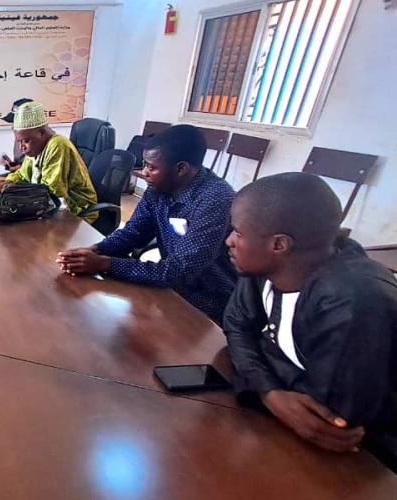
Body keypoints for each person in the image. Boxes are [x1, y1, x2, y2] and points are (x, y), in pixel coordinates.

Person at [223, 172, 397, 461]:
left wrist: (256, 368)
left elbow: (328, 415)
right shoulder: (265, 266)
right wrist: (269, 392)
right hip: (287, 432)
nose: (229, 240)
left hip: (369, 457)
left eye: (238, 233)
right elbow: (236, 325)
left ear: (279, 245)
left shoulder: (354, 301)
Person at [56, 124, 236, 324]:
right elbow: (133, 232)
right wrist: (96, 250)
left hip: (208, 302)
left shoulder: (215, 199)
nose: (144, 172)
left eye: (151, 167)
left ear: (181, 169)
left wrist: (104, 263)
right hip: (171, 289)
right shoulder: (160, 188)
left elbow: (179, 271)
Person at [0, 101, 98, 223]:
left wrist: (8, 189)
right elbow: (22, 175)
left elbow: (51, 193)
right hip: (49, 209)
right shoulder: (36, 148)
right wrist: (6, 182)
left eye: (25, 141)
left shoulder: (58, 145)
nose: (21, 147)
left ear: (41, 133)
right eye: (19, 141)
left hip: (77, 211)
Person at [0, 97, 33, 172]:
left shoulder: (40, 142)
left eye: (16, 122)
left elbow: (36, 168)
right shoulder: (20, 138)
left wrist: (16, 169)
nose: (13, 127)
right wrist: (10, 164)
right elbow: (21, 163)